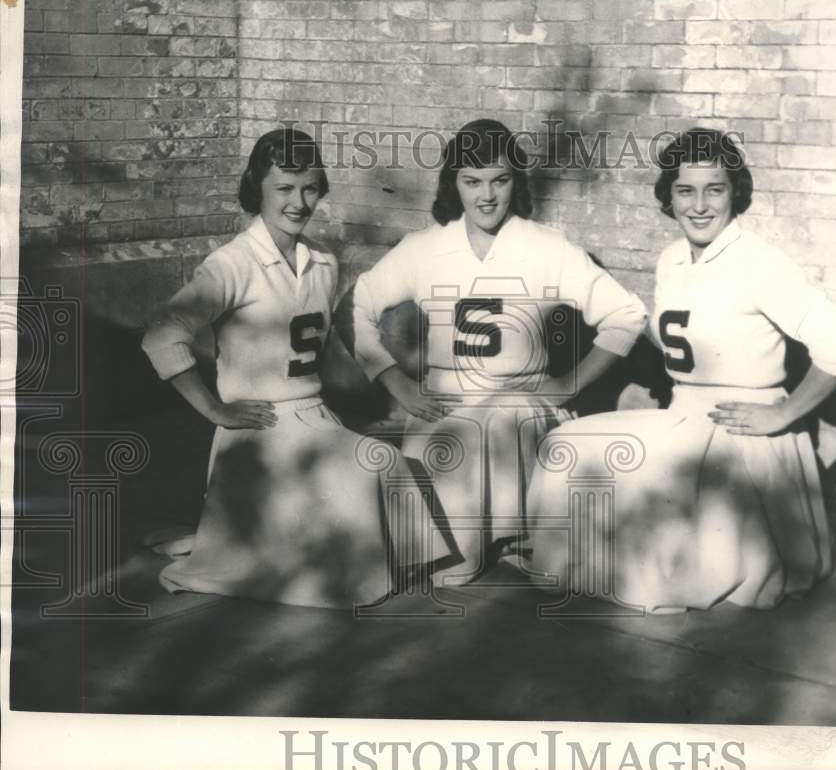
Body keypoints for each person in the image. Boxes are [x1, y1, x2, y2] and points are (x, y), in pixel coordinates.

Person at [525, 127, 836, 612]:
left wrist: (784, 413)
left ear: (736, 194)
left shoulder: (760, 264)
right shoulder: (672, 260)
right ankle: (563, 566)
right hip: (684, 419)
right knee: (567, 443)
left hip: (741, 436)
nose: (700, 205)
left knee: (649, 492)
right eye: (685, 190)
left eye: (715, 189)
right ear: (669, 196)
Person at [344, 119, 647, 586]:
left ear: (515, 182)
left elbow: (626, 314)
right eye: (472, 182)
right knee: (429, 562)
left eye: (499, 180)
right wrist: (393, 380)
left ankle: (504, 536)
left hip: (519, 407)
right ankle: (481, 543)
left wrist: (569, 384)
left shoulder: (546, 246)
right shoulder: (424, 248)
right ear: (454, 185)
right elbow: (356, 305)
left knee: (498, 419)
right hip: (444, 405)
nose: (486, 196)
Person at [141, 127, 391, 608]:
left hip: (316, 421)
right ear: (258, 188)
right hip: (261, 431)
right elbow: (161, 335)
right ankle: (226, 539)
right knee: (357, 515)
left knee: (393, 478)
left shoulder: (323, 261)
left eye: (310, 188)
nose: (298, 202)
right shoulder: (231, 264)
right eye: (284, 188)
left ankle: (223, 533)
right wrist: (216, 409)